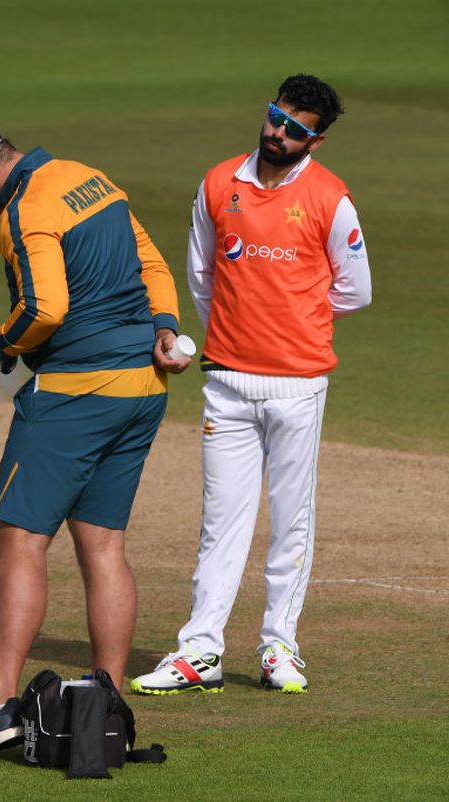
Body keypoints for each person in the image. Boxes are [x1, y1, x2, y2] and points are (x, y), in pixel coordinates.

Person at [0, 111, 191, 761]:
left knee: (17, 541)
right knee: (102, 547)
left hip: (78, 393)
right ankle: (104, 710)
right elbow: (151, 260)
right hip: (143, 387)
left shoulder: (26, 210)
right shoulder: (89, 178)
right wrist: (164, 323)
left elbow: (46, 308)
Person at [131, 75, 371, 697]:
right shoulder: (218, 183)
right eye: (274, 117)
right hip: (228, 383)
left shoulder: (330, 197)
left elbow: (355, 289)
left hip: (298, 385)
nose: (277, 132)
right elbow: (203, 276)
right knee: (221, 523)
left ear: (314, 140)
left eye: (295, 128)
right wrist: (242, 336)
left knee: (291, 521)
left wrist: (295, 320)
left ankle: (278, 648)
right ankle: (200, 651)